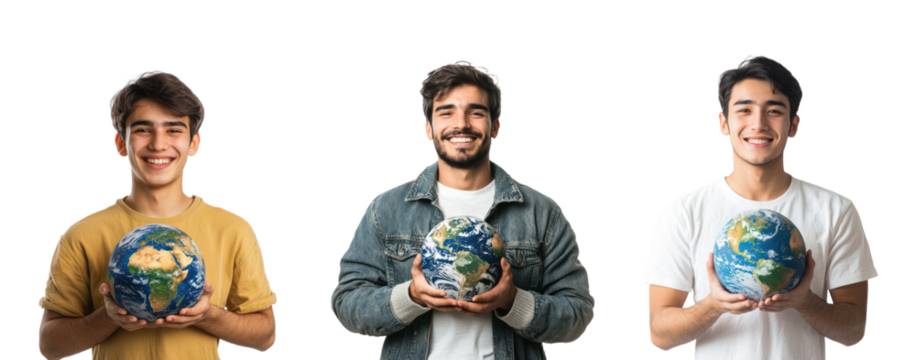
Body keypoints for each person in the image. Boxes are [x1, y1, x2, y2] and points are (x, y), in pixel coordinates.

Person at [329, 60, 597, 359]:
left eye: (476, 112)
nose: (461, 124)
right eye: (446, 112)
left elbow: (577, 314)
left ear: (496, 125)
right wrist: (411, 297)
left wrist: (512, 300)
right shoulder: (386, 209)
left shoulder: (542, 213)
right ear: (427, 128)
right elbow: (346, 302)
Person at [641, 54, 878, 358]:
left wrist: (804, 300)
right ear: (723, 122)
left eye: (774, 110)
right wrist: (713, 305)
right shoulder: (681, 213)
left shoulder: (837, 210)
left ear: (794, 124)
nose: (758, 123)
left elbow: (854, 330)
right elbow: (660, 334)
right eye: (744, 109)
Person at [36, 71, 279, 360]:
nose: (158, 144)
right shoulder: (80, 235)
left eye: (174, 129)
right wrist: (109, 317)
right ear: (120, 143)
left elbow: (266, 336)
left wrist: (207, 315)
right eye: (143, 129)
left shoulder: (234, 230)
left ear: (194, 143)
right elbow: (49, 346)